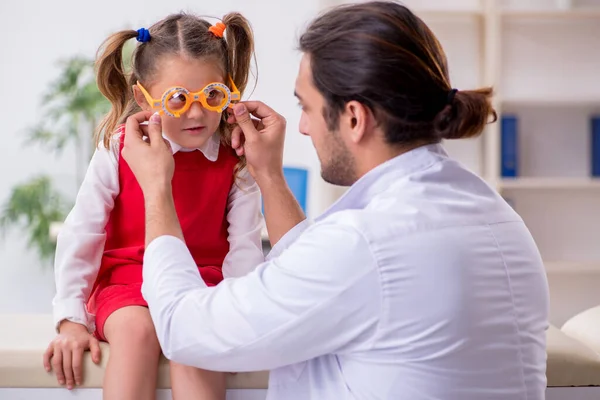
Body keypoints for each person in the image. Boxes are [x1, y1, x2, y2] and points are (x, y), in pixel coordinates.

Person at [122, 1, 550, 399]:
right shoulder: (494, 214)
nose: (303, 128)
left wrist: (157, 189)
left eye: (306, 107)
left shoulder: (365, 243)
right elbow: (314, 274)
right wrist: (269, 175)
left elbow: (185, 329)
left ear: (353, 118)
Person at [42, 12, 265, 400]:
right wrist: (71, 319)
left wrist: (234, 320)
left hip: (201, 284)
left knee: (197, 342)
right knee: (136, 332)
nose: (196, 113)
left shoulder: (238, 158)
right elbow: (84, 230)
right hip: (129, 280)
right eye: (178, 100)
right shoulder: (118, 148)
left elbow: (245, 248)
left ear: (228, 89)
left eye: (211, 95)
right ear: (143, 97)